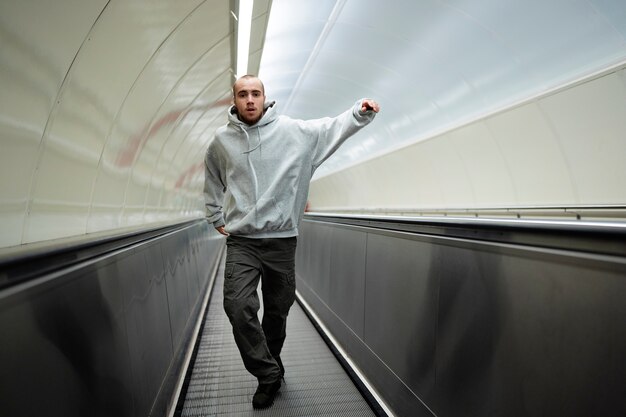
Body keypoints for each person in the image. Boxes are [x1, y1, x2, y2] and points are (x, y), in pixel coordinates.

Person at [203, 75, 379, 409]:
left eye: (256, 93)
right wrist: (215, 215)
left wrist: (359, 112)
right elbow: (212, 178)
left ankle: (271, 361)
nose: (250, 100)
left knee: (278, 312)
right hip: (243, 242)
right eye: (243, 94)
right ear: (234, 100)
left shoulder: (293, 133)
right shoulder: (221, 141)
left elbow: (329, 129)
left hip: (282, 241)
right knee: (238, 307)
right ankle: (268, 374)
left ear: (265, 97)